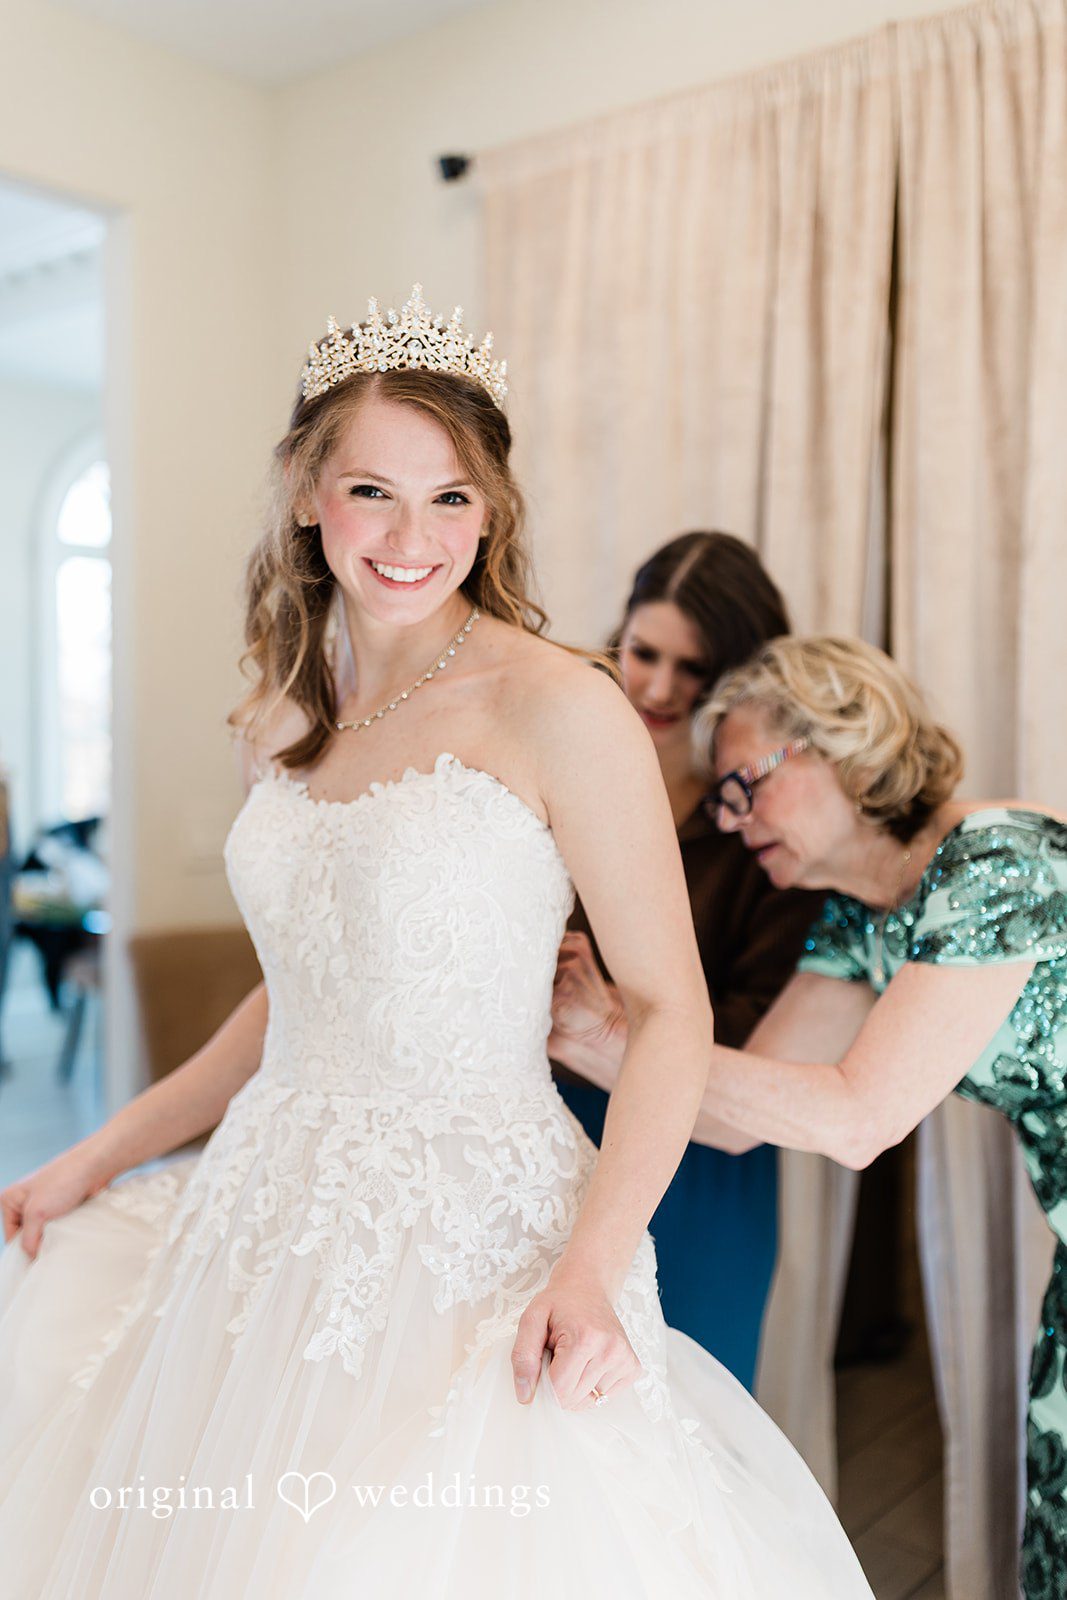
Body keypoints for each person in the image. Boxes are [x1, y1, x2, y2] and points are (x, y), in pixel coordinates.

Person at [0, 290, 873, 1598]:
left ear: (490, 508)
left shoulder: (560, 704)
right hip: (258, 1217)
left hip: (472, 1232)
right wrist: (96, 1154)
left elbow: (670, 1010)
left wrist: (591, 1266)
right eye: (373, 492)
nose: (413, 540)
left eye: (449, 498)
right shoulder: (275, 717)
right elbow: (292, 1003)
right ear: (307, 494)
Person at [549, 631, 1067, 1600]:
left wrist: (618, 1033)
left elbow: (857, 1116)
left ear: (844, 742)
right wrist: (590, 1039)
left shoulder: (998, 863)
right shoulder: (859, 915)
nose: (730, 819)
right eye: (719, 799)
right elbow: (740, 1117)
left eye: (744, 784)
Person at [551, 532, 822, 1387]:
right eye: (644, 653)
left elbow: (761, 1033)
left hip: (700, 1152)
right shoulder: (562, 769)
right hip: (544, 1127)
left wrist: (611, 1021)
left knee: (687, 1403)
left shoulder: (769, 829)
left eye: (694, 668)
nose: (660, 689)